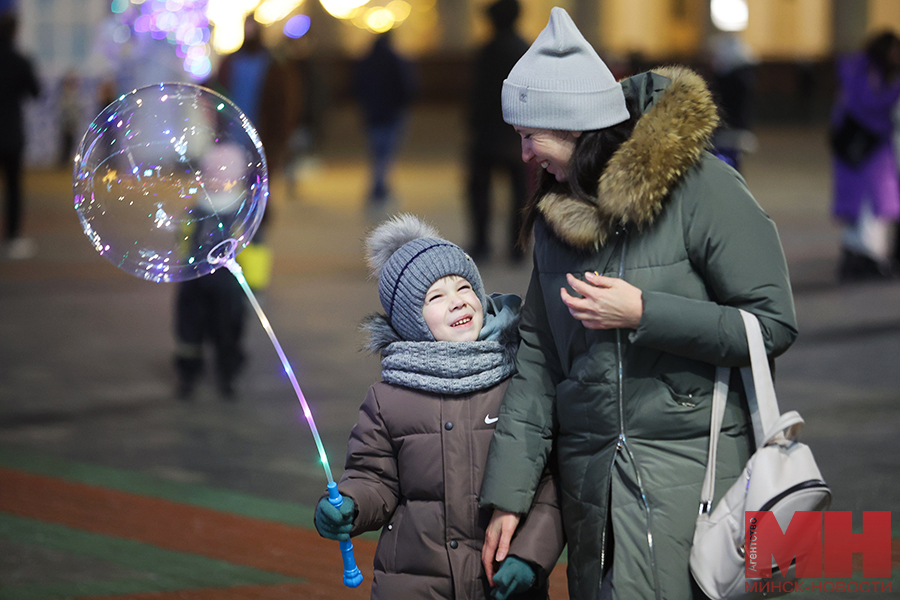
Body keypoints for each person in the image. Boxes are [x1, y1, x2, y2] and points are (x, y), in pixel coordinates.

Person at [478, 8, 798, 600]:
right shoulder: (555, 217)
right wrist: (508, 500)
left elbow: (772, 324)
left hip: (693, 479)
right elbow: (538, 361)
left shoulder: (702, 188)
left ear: (574, 126)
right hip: (590, 490)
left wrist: (646, 313)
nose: (524, 154)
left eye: (530, 136)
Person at [314, 214, 564, 600]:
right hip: (415, 583)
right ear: (411, 321)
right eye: (435, 296)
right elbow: (374, 478)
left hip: (498, 577)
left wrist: (530, 557)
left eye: (464, 287)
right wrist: (350, 504)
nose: (457, 301)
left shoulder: (517, 380)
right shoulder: (388, 398)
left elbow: (550, 482)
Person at [829, 31, 900, 280]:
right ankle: (865, 259)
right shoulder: (866, 73)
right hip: (865, 152)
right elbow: (869, 105)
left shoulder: (858, 70)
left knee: (863, 209)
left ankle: (859, 257)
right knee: (868, 208)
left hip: (857, 151)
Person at [466, 0, 530, 263]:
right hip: (516, 133)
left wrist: (473, 123)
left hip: (488, 134)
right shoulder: (525, 50)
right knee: (520, 193)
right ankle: (517, 247)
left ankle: (482, 243)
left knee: (480, 190)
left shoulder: (487, 51)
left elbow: (477, 94)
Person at [352, 32, 417, 219]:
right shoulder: (396, 60)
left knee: (377, 154)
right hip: (391, 115)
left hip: (372, 115)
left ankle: (380, 188)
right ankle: (378, 190)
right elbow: (407, 87)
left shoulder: (366, 61)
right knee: (386, 154)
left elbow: (357, 87)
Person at [0, 12, 40, 260]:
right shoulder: (19, 60)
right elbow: (35, 92)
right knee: (13, 188)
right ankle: (12, 238)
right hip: (11, 134)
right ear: (16, 32)